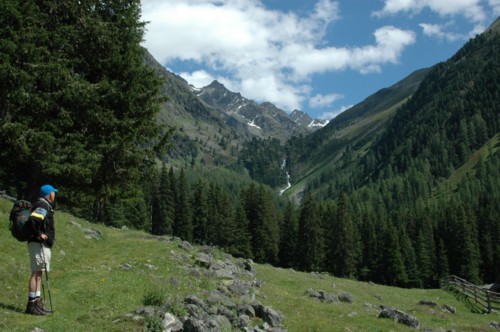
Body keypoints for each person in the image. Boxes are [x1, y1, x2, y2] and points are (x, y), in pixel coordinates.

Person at [25, 184, 58, 315]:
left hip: (41, 245)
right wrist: (39, 234)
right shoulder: (42, 205)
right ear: (49, 194)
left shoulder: (45, 205)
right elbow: (34, 220)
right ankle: (31, 304)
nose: (54, 195)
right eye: (53, 192)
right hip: (38, 244)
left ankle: (37, 302)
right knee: (36, 272)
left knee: (40, 272)